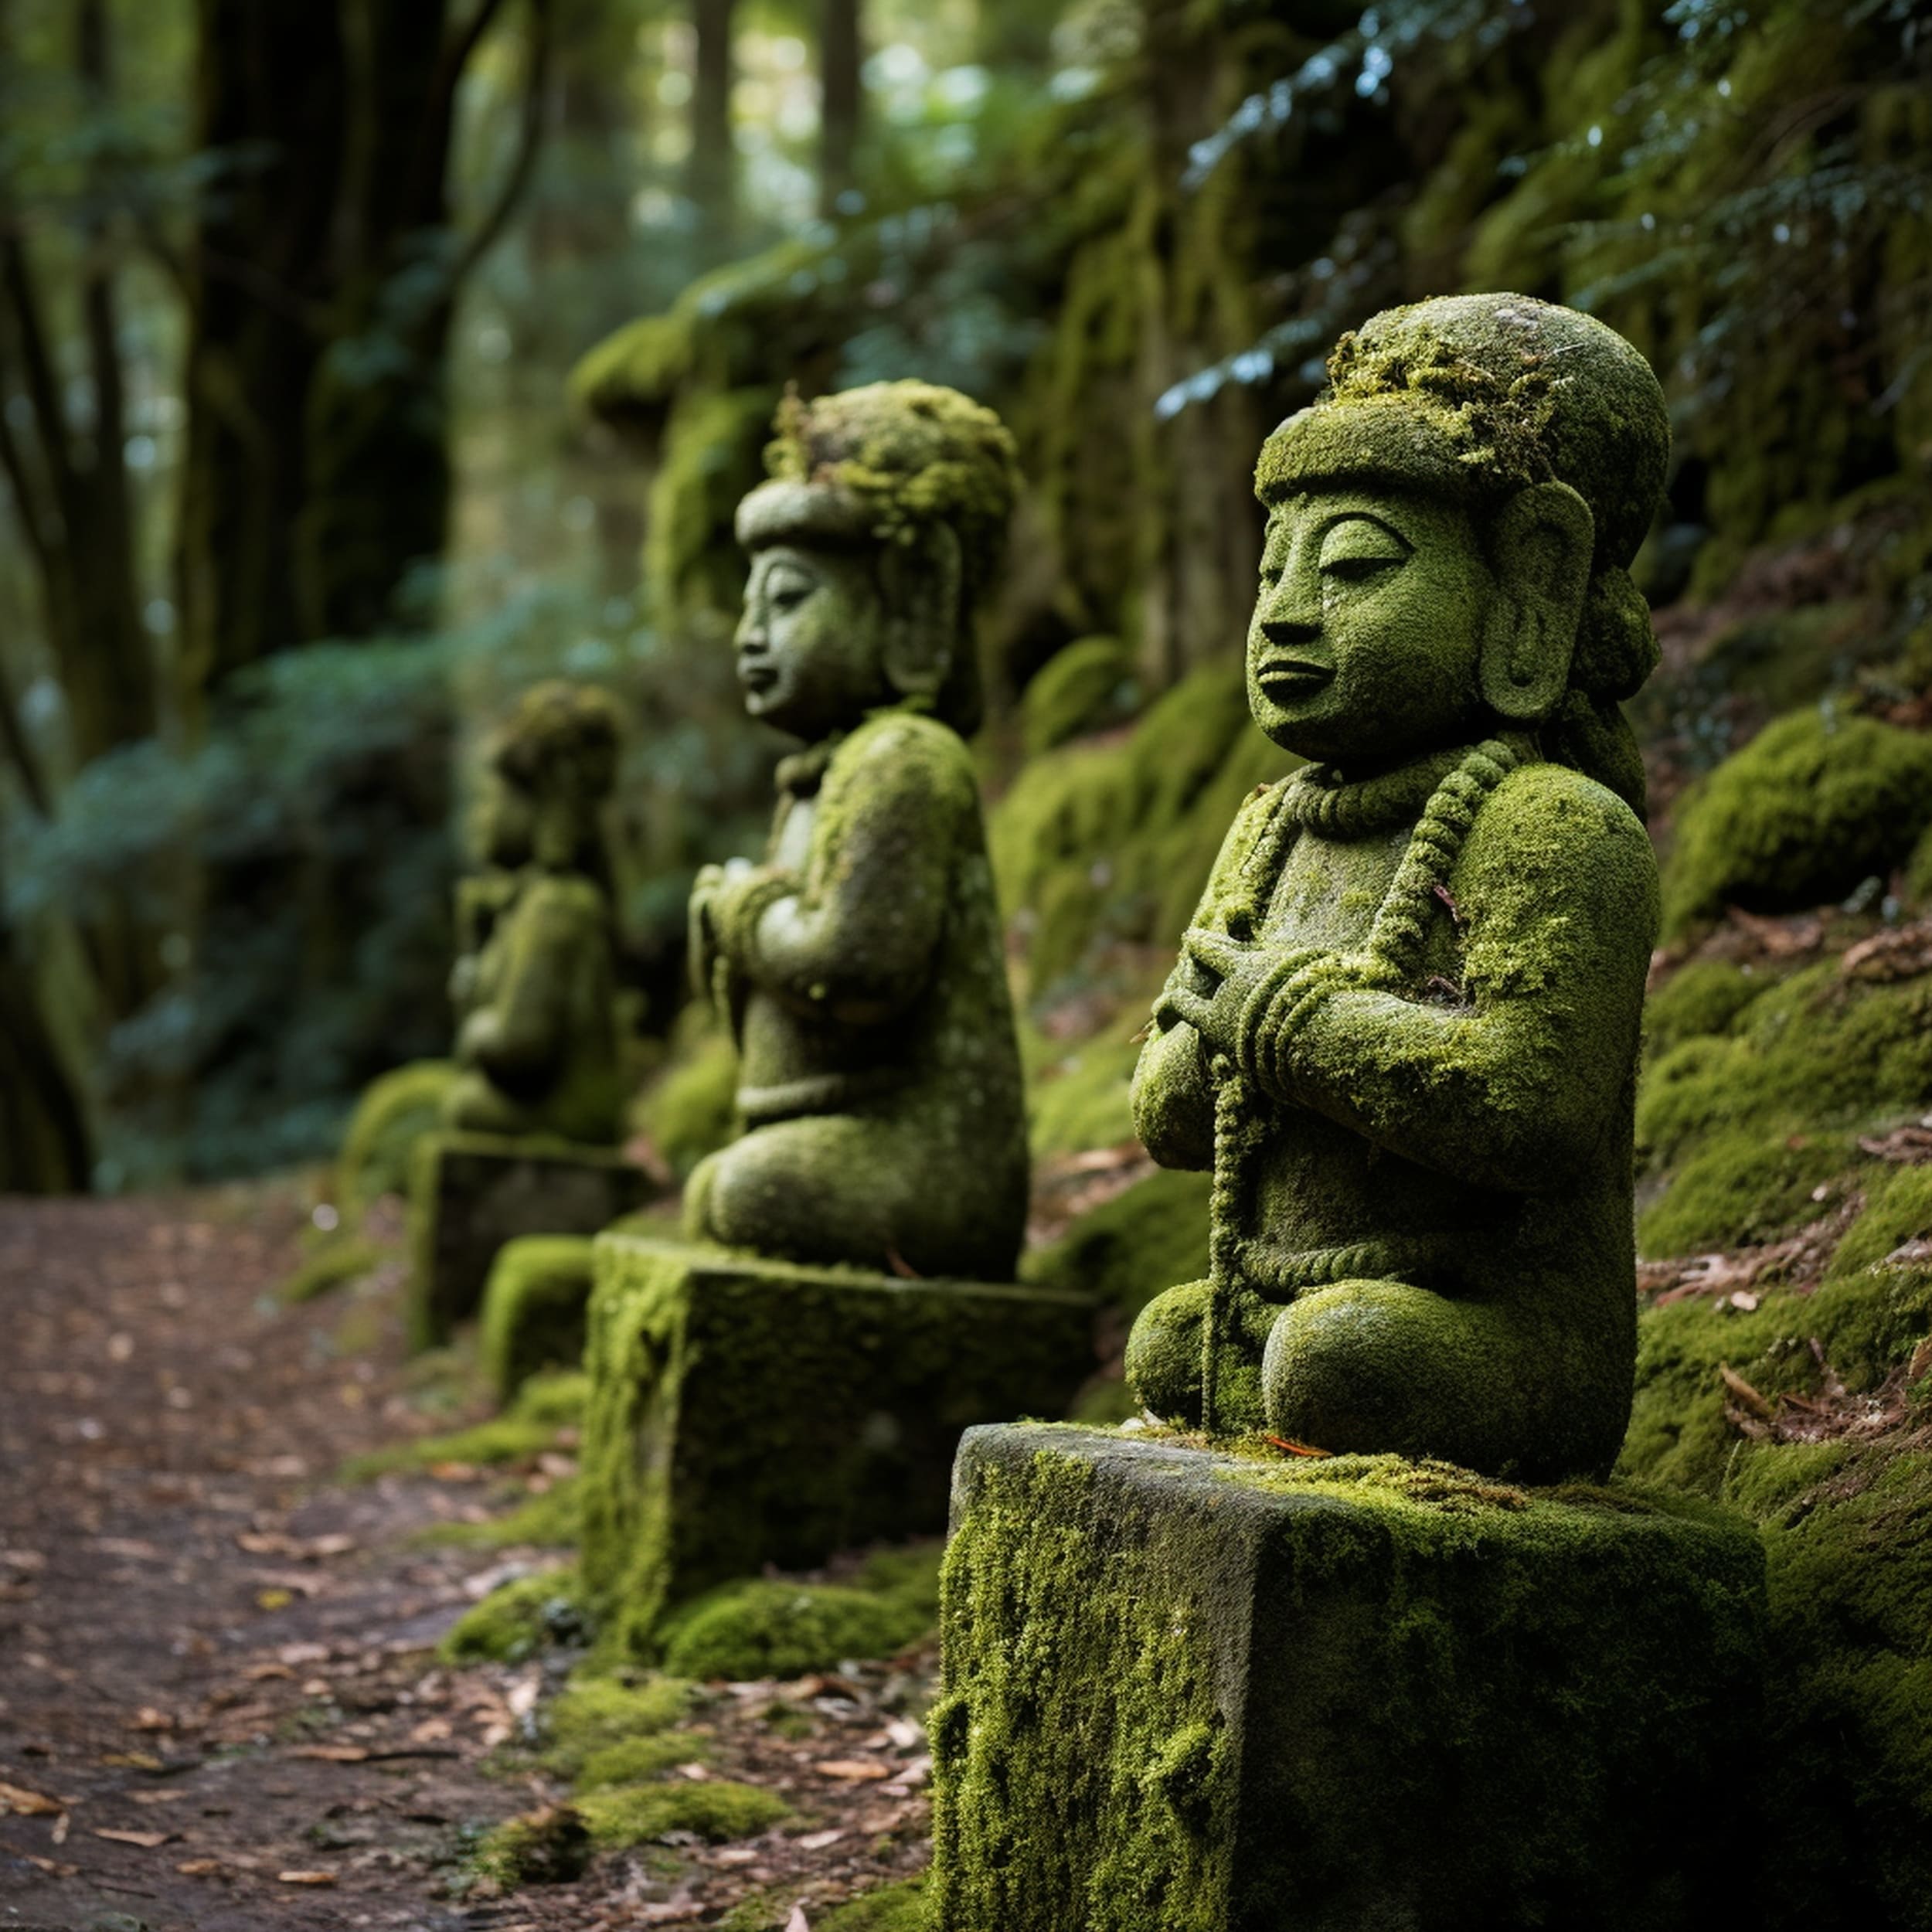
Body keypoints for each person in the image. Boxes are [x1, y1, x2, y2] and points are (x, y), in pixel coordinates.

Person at [1126, 294, 1667, 1481]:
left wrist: (1294, 1023)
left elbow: (1532, 1108)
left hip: (1497, 1329)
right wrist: (1204, 1038)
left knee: (1335, 1364)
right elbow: (1168, 1119)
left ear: (1530, 584)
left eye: (1356, 566)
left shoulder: (1554, 824)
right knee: (1171, 1346)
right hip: (1279, 1304)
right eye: (1273, 570)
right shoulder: (1269, 831)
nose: (1286, 615)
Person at [684, 382, 1030, 1282]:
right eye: (750, 604)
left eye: (790, 600)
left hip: (923, 1157)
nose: (751, 635)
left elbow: (858, 965)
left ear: (913, 599)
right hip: (826, 1134)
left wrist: (743, 913)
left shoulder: (904, 759)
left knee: (744, 1193)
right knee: (722, 1189)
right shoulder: (826, 775)